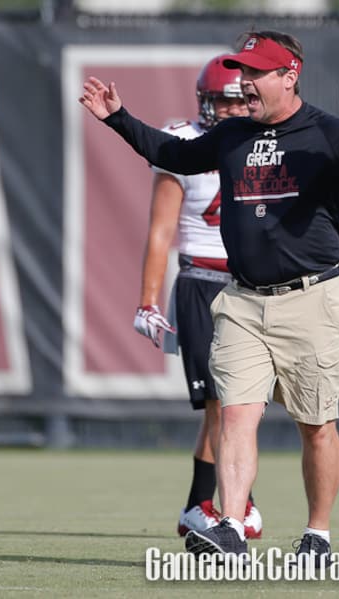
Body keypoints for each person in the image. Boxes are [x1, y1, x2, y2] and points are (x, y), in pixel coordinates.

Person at [80, 29, 339, 564]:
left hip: (309, 298)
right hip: (241, 302)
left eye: (257, 73)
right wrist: (118, 117)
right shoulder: (232, 136)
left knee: (317, 426)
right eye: (244, 72)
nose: (246, 82)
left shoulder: (325, 132)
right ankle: (230, 524)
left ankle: (318, 535)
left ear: (290, 74)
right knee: (234, 415)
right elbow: (173, 154)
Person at [131, 55, 263, 540]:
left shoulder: (264, 140)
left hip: (250, 283)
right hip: (202, 281)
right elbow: (160, 231)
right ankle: (222, 502)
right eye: (221, 102)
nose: (229, 111)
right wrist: (148, 298)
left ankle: (209, 502)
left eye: (237, 101)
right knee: (222, 402)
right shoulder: (183, 141)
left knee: (241, 401)